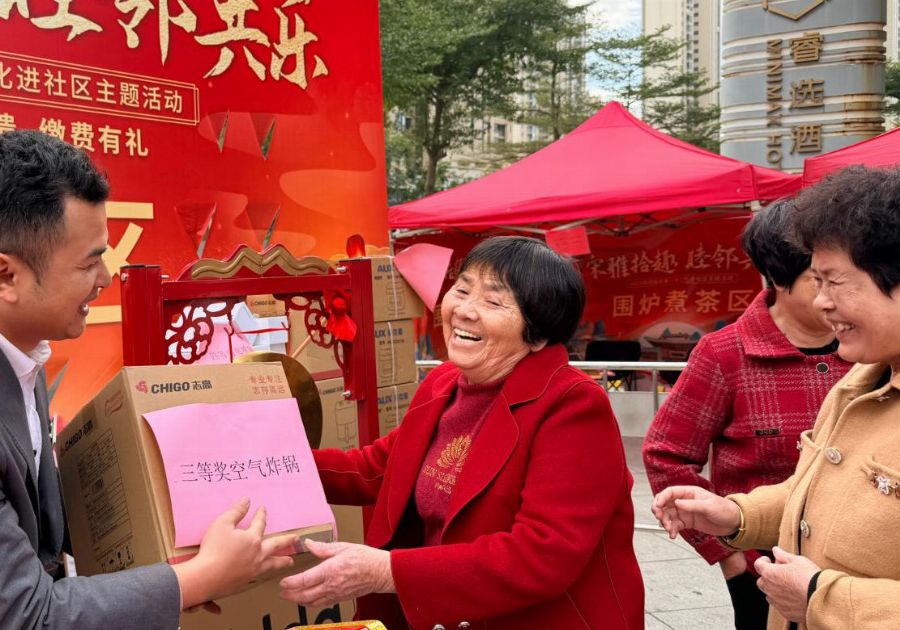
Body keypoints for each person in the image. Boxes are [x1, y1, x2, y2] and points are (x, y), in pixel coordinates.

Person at [0, 131, 296, 629]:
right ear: (4, 276)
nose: (105, 277)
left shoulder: (8, 335)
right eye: (88, 261)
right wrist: (200, 578)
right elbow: (26, 618)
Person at [280, 236, 645, 629]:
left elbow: (542, 554)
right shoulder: (444, 383)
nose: (465, 311)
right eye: (463, 289)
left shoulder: (573, 405)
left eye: (493, 301)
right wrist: (269, 467)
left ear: (538, 334)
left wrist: (386, 571)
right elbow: (378, 468)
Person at [653, 165, 900, 630]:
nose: (825, 302)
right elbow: (819, 488)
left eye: (835, 280)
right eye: (816, 281)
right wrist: (734, 519)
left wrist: (818, 597)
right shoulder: (860, 382)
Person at [643, 199, 847, 629]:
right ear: (778, 277)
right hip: (764, 569)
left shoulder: (874, 350)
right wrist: (730, 558)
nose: (836, 295)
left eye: (844, 277)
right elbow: (667, 455)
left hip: (856, 566)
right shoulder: (724, 353)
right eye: (821, 279)